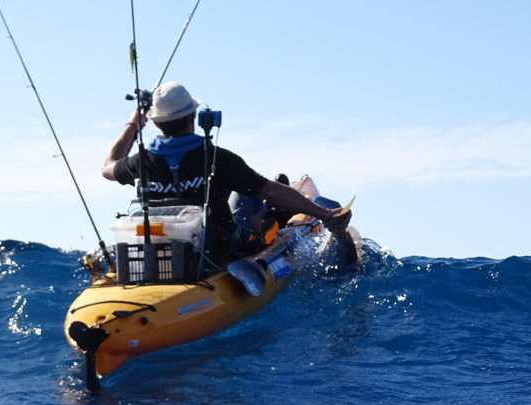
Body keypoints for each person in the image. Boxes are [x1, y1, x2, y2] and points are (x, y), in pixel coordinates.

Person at [102, 81, 353, 266]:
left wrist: (134, 122)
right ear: (193, 117)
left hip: (159, 258)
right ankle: (279, 219)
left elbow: (108, 167)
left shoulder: (141, 162)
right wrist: (325, 214)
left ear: (155, 123)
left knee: (251, 192)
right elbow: (271, 191)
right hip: (217, 254)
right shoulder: (217, 158)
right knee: (253, 195)